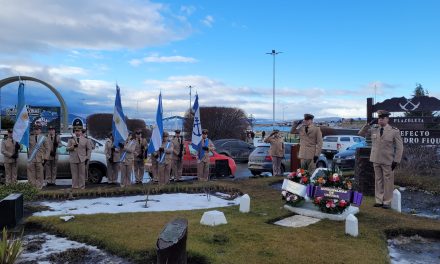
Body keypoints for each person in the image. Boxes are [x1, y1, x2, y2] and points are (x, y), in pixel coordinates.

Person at [359, 110, 403, 209]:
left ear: (387, 119)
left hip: (388, 160)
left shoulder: (394, 131)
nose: (380, 120)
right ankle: (379, 200)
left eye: (382, 118)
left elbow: (400, 147)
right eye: (379, 118)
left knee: (388, 181)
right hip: (376, 159)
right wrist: (367, 124)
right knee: (378, 180)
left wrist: (396, 160)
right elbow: (361, 134)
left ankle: (387, 201)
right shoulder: (374, 129)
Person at [67, 124, 90, 189]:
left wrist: (87, 157)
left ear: (81, 132)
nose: (77, 132)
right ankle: (75, 186)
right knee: (74, 174)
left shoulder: (85, 140)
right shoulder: (71, 140)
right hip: (73, 159)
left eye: (79, 131)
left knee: (82, 174)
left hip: (82, 159)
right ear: (74, 132)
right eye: (76, 131)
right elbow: (67, 148)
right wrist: (73, 147)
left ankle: (82, 186)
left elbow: (88, 149)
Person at [27, 125, 49, 189]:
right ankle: (32, 187)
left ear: (40, 130)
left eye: (37, 129)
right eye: (35, 129)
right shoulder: (29, 137)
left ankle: (39, 186)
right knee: (31, 174)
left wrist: (46, 158)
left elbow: (48, 148)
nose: (36, 131)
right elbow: (26, 145)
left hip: (40, 159)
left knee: (40, 174)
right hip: (31, 158)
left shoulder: (44, 138)